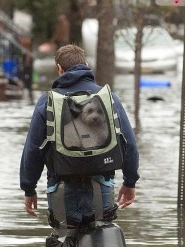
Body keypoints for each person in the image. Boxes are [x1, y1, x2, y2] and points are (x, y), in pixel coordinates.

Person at [20, 44, 139, 228]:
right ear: (86, 64)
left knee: (63, 243)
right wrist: (130, 182)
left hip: (61, 188)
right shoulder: (109, 98)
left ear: (59, 69)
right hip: (102, 186)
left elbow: (33, 149)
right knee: (101, 244)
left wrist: (29, 189)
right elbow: (129, 143)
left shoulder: (48, 101)